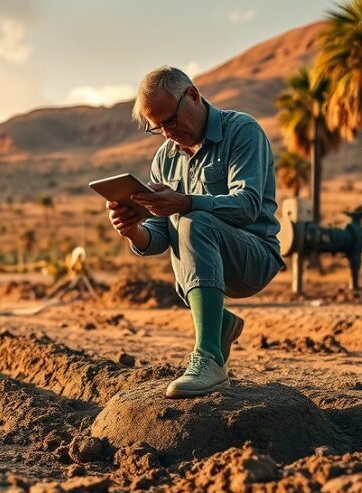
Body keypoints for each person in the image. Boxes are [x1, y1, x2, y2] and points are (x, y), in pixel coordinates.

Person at [107, 65, 283, 398]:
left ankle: (209, 359)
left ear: (193, 95)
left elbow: (248, 205)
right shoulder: (165, 159)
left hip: (255, 258)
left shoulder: (242, 130)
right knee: (183, 225)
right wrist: (132, 231)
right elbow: (158, 237)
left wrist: (186, 202)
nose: (167, 133)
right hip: (200, 268)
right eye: (156, 128)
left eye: (170, 121)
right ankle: (220, 325)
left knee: (192, 220)